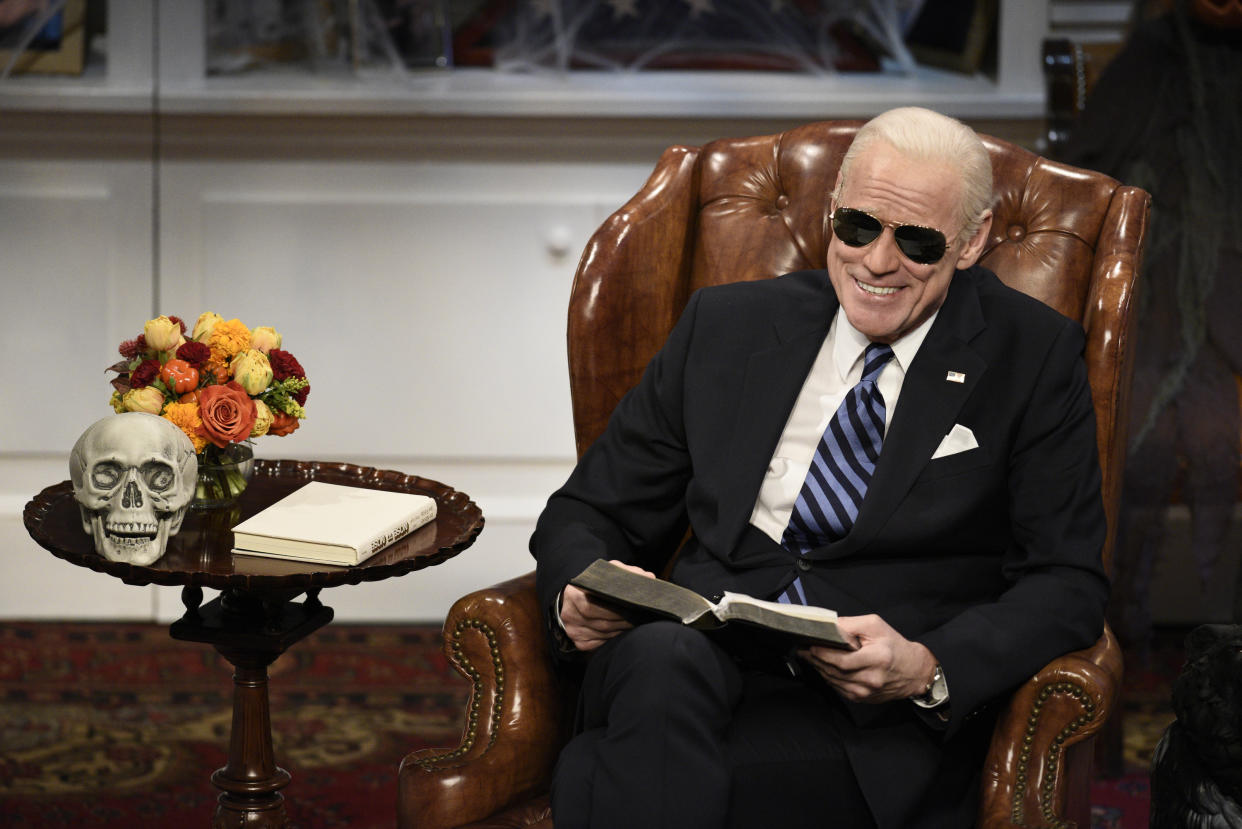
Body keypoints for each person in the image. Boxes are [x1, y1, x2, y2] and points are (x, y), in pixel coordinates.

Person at [530, 107, 1110, 829]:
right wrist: (576, 596)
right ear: (832, 206)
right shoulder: (726, 327)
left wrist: (928, 665)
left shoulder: (1033, 356)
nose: (875, 262)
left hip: (867, 718)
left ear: (973, 240)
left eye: (918, 242)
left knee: (599, 771)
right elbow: (587, 510)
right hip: (692, 662)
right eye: (858, 226)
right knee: (660, 662)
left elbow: (1068, 579)